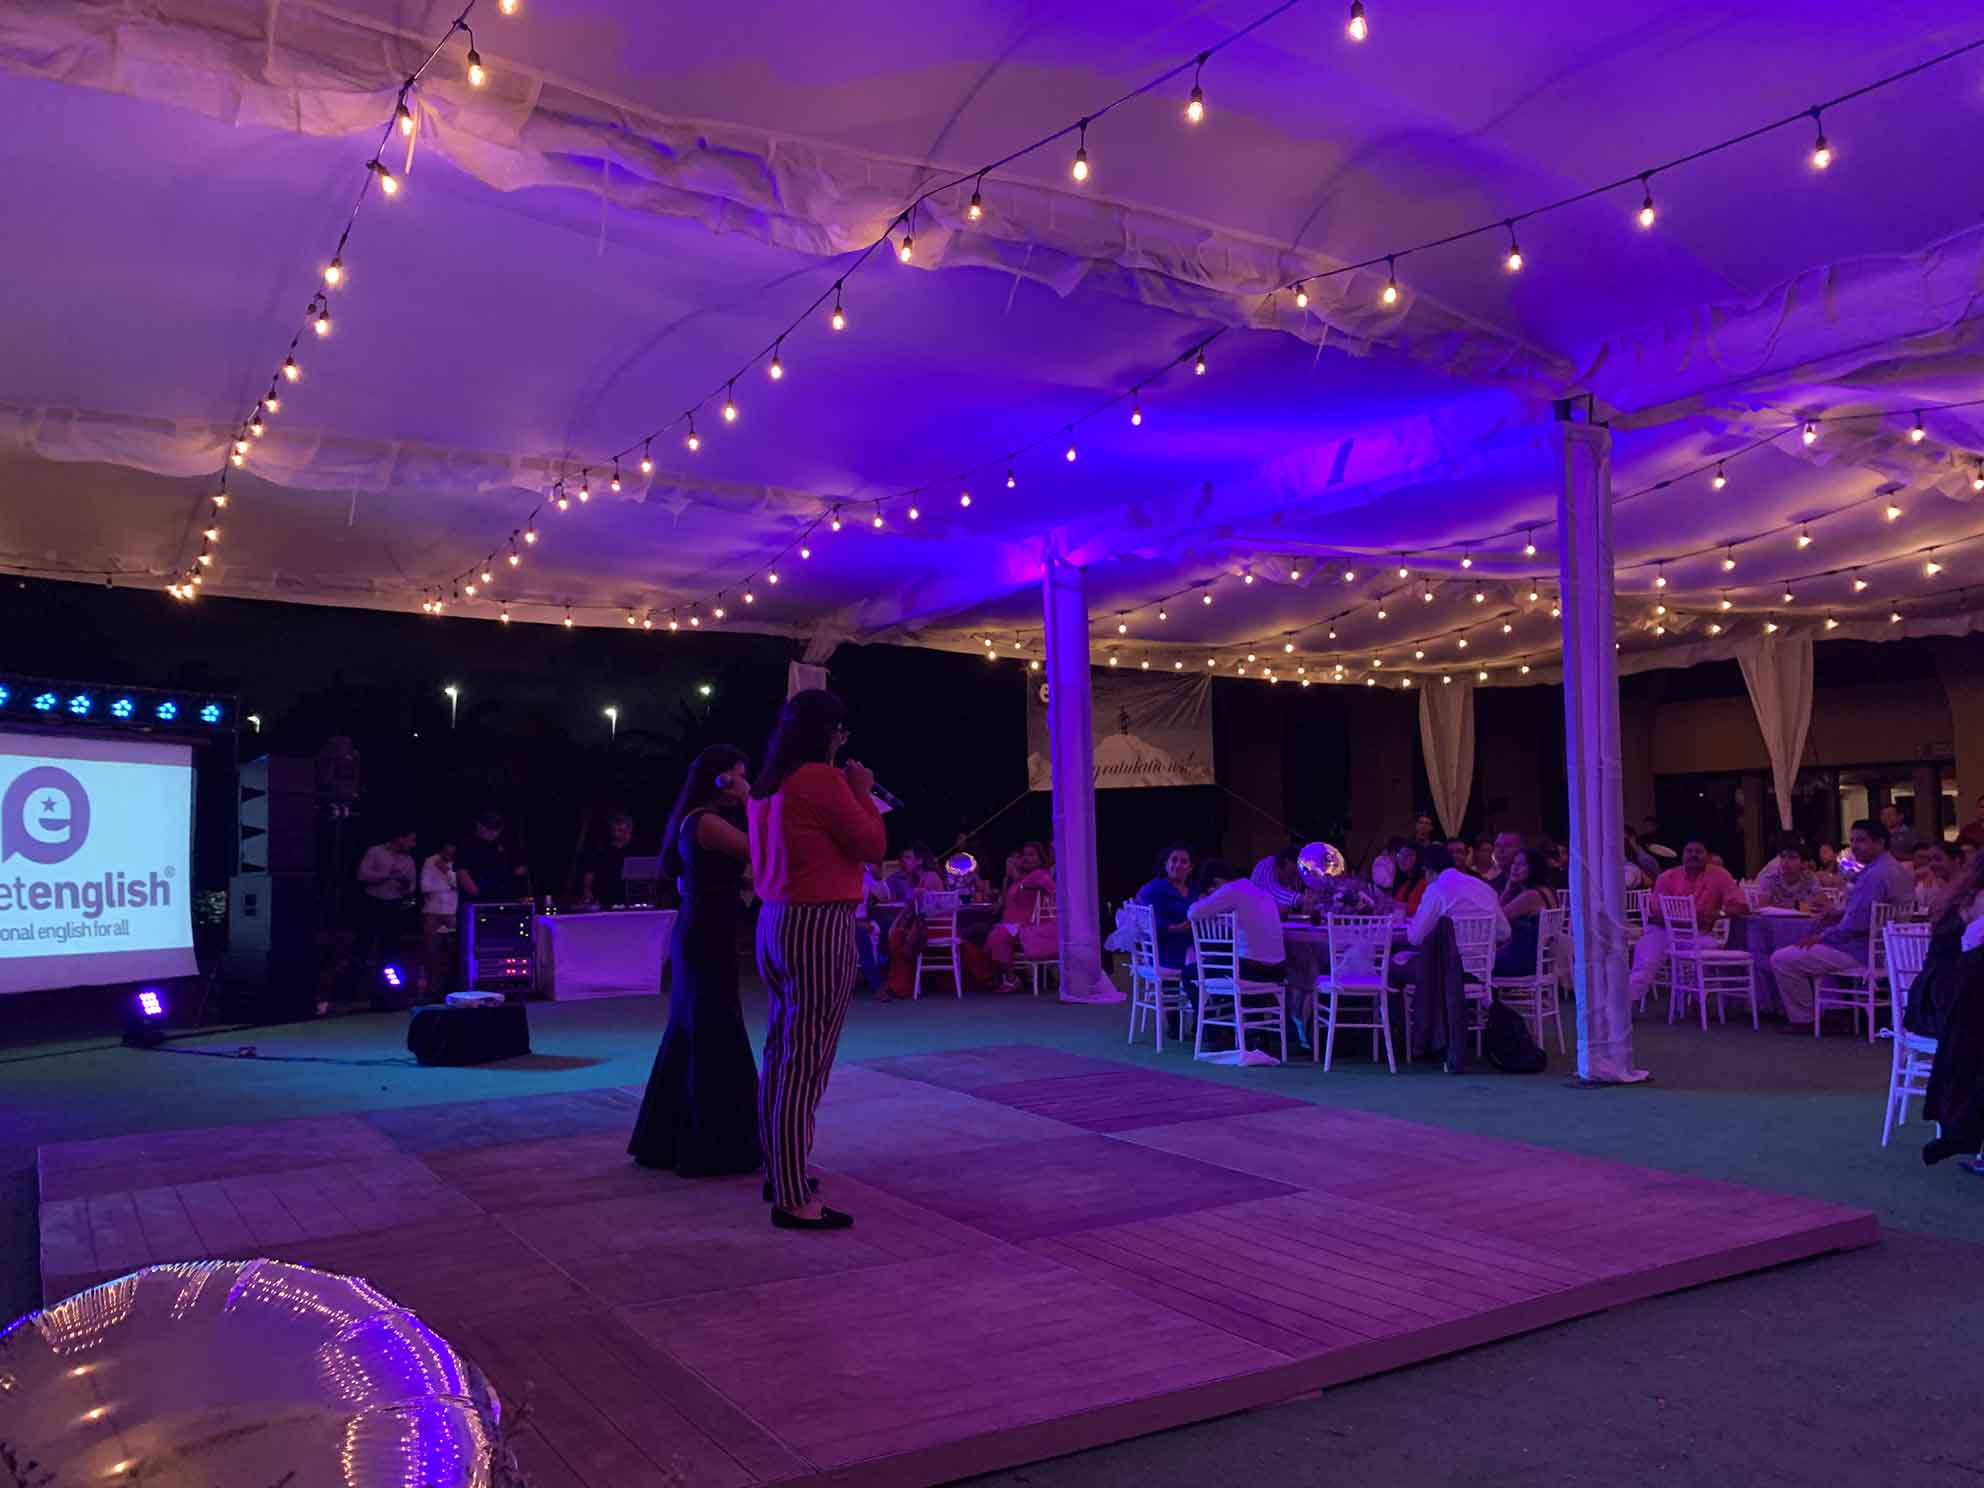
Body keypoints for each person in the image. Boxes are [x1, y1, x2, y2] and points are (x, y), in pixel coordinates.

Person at [748, 690, 884, 1231]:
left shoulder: (766, 784)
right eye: (841, 733)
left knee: (781, 1053)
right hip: (818, 923)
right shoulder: (820, 780)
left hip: (774, 920)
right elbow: (871, 844)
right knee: (806, 1062)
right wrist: (863, 793)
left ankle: (780, 1170)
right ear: (830, 732)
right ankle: (791, 1196)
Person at [630, 746, 761, 1178]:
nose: (743, 779)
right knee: (711, 1024)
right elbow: (761, 849)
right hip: (706, 929)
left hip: (707, 927)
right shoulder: (705, 820)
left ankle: (676, 1139)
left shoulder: (703, 820)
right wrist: (749, 798)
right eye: (738, 773)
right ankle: (711, 1145)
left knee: (700, 1025)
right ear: (721, 777)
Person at [1770, 818, 1914, 1033]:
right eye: (1853, 840)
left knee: (1782, 959)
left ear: (1880, 843)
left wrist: (1823, 936)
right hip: (1889, 949)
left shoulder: (1874, 875)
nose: (1854, 846)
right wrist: (1838, 914)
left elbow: (1855, 925)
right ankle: (1834, 1012)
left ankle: (1804, 1019)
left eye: (1861, 840)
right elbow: (1869, 913)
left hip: (1860, 951)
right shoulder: (1896, 869)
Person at [1628, 839, 1748, 1007]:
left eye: (1699, 851)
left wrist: (1718, 913)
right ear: (1683, 855)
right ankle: (1626, 1006)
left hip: (1698, 934)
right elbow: (1657, 912)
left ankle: (1697, 1000)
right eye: (1689, 851)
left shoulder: (1719, 875)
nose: (1693, 855)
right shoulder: (1667, 877)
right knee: (1645, 962)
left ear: (1707, 856)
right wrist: (1692, 917)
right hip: (1663, 930)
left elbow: (1741, 906)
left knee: (1710, 949)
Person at [353, 826, 416, 1005]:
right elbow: (362, 875)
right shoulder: (375, 852)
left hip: (394, 905)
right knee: (367, 944)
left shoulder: (409, 860)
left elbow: (412, 887)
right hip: (372, 903)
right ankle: (360, 990)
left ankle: (389, 992)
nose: (413, 844)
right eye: (411, 840)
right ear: (400, 838)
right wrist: (386, 875)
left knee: (391, 949)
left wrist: (404, 883)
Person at [1406, 846, 1511, 950]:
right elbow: (1505, 933)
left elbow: (1415, 938)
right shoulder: (1485, 887)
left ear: (1427, 870)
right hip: (1486, 960)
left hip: (1448, 960)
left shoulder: (1436, 888)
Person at [986, 841, 1055, 992]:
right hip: (1013, 925)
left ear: (1040, 858)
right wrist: (1008, 877)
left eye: (1032, 855)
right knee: (989, 933)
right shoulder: (1021, 879)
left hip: (1029, 927)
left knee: (997, 936)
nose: (1027, 858)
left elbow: (1051, 888)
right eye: (1024, 855)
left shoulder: (1039, 874)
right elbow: (1006, 901)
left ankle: (1011, 979)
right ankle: (1007, 978)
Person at [1493, 848, 1559, 977]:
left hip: (1522, 962)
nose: (1515, 868)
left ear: (1534, 868)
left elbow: (1496, 922)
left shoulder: (1530, 896)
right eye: (1514, 863)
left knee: (1472, 966)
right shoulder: (1546, 890)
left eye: (1522, 864)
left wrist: (1506, 891)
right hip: (1537, 960)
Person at [1136, 843, 1198, 974]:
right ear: (1166, 864)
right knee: (1206, 963)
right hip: (1165, 949)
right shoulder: (1153, 889)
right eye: (1174, 860)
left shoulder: (1193, 891)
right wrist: (1178, 928)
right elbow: (1150, 922)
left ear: (1190, 868)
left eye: (1184, 861)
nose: (1178, 865)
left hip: (1191, 945)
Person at [455, 809, 529, 904]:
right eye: (489, 829)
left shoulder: (505, 844)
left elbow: (519, 870)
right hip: (478, 900)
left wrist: (519, 895)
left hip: (506, 899)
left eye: (496, 830)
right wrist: (479, 896)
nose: (493, 833)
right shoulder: (467, 845)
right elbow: (462, 874)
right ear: (479, 826)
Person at [418, 839, 458, 998]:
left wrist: (447, 871)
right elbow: (425, 887)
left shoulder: (459, 862)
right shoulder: (430, 861)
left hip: (453, 910)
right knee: (431, 951)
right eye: (446, 852)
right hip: (432, 910)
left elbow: (459, 884)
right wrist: (449, 886)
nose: (448, 855)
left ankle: (451, 987)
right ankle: (432, 988)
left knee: (453, 951)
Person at [579, 813, 634, 908]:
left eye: (620, 830)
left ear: (629, 831)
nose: (616, 833)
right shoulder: (601, 851)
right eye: (615, 830)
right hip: (604, 900)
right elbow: (589, 875)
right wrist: (587, 892)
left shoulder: (635, 850)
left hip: (630, 899)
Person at [1754, 835, 1820, 908]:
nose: (1785, 862)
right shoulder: (1770, 877)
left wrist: (1794, 905)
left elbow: (1822, 904)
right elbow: (1763, 906)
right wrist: (1800, 906)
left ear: (1804, 864)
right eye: (1783, 856)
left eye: (1792, 857)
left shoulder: (1809, 878)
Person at [1250, 846, 1304, 912]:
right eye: (1295, 871)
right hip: (1254, 914)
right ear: (1287, 862)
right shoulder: (1266, 866)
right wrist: (1301, 899)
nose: (1297, 875)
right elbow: (1271, 894)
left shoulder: (1295, 874)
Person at [1390, 842, 1429, 915]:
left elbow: (1426, 910)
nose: (1403, 859)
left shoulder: (1426, 882)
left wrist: (1400, 906)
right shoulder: (1404, 883)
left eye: (1408, 855)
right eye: (1400, 854)